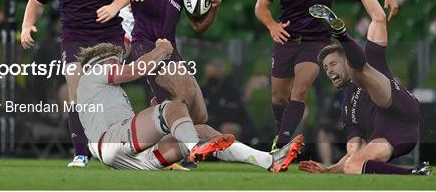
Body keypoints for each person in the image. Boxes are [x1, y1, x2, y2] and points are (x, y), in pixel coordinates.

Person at [254, 0, 399, 150]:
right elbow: (261, 7)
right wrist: (272, 25)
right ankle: (282, 129)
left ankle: (280, 147)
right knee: (278, 98)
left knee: (299, 91)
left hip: (317, 38)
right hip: (287, 38)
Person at [75, 40, 304, 172]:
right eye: (115, 61)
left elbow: (121, 128)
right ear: (101, 61)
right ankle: (195, 147)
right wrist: (161, 50)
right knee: (172, 108)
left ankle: (269, 160)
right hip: (111, 143)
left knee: (200, 130)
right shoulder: (96, 71)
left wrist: (157, 117)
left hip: (124, 157)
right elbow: (135, 70)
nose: (119, 64)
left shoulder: (99, 92)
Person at [299, 0, 430, 175]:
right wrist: (329, 170)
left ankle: (343, 37)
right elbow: (353, 153)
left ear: (344, 57)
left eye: (332, 63)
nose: (329, 70)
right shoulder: (348, 107)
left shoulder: (371, 56)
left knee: (362, 72)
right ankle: (415, 173)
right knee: (353, 166)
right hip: (395, 136)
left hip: (402, 106)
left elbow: (378, 17)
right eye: (326, 68)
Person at [20, 0, 129, 168]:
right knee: (76, 94)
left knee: (108, 92)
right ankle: (81, 153)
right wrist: (26, 25)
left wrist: (115, 5)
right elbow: (36, 1)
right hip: (74, 38)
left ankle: (119, 147)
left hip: (109, 35)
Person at [109, 0, 221, 128]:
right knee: (183, 93)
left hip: (171, 50)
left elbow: (199, 26)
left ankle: (150, 122)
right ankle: (174, 147)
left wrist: (215, 3)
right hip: (146, 44)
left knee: (200, 115)